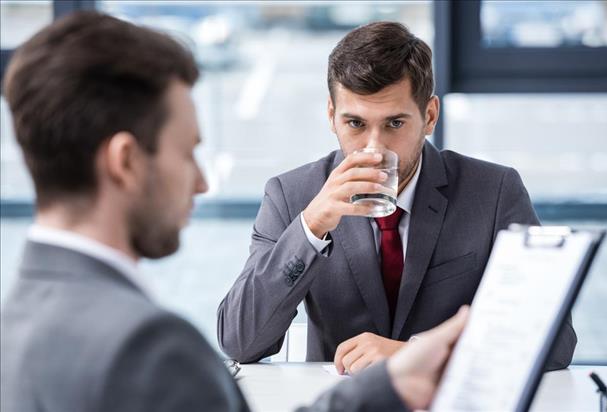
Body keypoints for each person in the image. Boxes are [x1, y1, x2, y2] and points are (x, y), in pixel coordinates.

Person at [0, 11, 469, 412]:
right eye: (187, 153)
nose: (202, 183)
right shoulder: (149, 347)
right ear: (125, 161)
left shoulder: (16, 323)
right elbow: (241, 338)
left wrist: (394, 375)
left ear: (428, 115)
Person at [217, 21, 577, 374]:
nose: (374, 148)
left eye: (394, 124)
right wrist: (310, 229)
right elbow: (240, 341)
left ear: (430, 116)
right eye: (355, 124)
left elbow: (556, 340)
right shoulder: (292, 195)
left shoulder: (494, 191)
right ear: (332, 116)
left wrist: (415, 354)